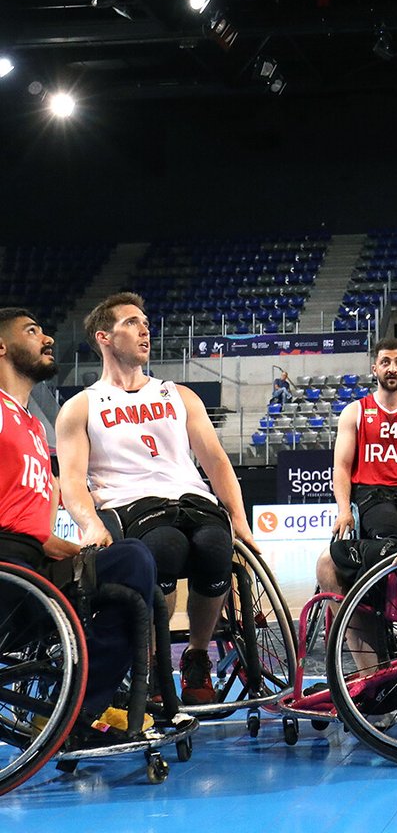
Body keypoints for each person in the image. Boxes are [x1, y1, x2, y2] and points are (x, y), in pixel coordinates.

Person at [56, 292, 258, 705]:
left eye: (146, 321)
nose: (145, 328)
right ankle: (151, 661)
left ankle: (197, 656)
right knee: (164, 548)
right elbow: (72, 481)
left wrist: (239, 520)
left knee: (215, 545)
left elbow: (217, 463)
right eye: (132, 322)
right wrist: (90, 524)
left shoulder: (178, 395)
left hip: (191, 500)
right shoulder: (81, 407)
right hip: (133, 507)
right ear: (104, 337)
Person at [0, 307, 158, 745]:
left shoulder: (32, 424)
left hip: (30, 568)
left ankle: (81, 706)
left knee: (128, 561)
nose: (47, 338)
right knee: (132, 565)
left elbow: (26, 524)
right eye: (32, 331)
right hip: (10, 576)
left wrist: (79, 551)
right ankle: (80, 712)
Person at [314, 337, 397, 593]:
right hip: (371, 493)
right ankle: (367, 605)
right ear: (374, 368)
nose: (392, 368)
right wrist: (343, 511)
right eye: (385, 362)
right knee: (390, 536)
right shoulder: (355, 411)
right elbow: (341, 467)